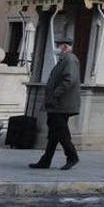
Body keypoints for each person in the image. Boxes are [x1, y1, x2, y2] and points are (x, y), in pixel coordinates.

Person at [31, 38, 81, 170]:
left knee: (61, 131)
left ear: (64, 47)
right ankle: (45, 160)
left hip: (61, 104)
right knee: (54, 133)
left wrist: (55, 94)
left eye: (58, 46)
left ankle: (72, 156)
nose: (57, 49)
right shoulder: (64, 60)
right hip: (57, 104)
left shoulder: (70, 60)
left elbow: (69, 79)